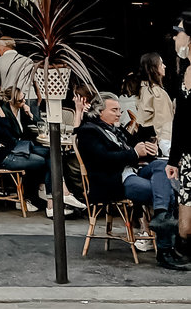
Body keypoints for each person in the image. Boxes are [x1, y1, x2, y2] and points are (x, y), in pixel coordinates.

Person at [76, 92, 189, 271]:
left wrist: (148, 149)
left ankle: (161, 216)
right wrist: (135, 152)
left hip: (133, 172)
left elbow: (136, 149)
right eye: (114, 110)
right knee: (163, 191)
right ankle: (165, 251)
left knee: (162, 165)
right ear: (99, 112)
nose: (119, 114)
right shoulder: (88, 131)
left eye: (119, 110)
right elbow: (103, 160)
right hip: (114, 180)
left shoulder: (117, 130)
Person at [0, 89, 63, 216]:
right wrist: (2, 116)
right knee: (45, 161)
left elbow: (7, 136)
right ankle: (48, 199)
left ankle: (47, 193)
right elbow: (6, 135)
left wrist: (0, 120)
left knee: (51, 154)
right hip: (5, 158)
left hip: (11, 150)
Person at [167, 13, 191, 260]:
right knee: (185, 221)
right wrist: (174, 159)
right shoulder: (184, 71)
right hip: (187, 156)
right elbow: (180, 121)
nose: (175, 37)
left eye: (178, 31)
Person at [137, 52, 174, 148]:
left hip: (144, 140)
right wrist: (166, 146)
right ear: (153, 68)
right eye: (161, 64)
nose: (164, 66)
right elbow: (164, 123)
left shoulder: (143, 88)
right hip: (157, 142)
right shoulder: (157, 92)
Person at [0, 37, 35, 104]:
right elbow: (35, 81)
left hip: (10, 99)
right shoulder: (28, 60)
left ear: (2, 47)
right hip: (30, 98)